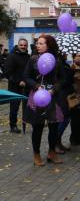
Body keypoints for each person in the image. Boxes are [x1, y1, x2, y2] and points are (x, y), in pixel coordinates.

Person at [23, 34, 64, 166]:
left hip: (52, 97)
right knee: (38, 126)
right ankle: (36, 155)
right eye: (37, 43)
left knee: (54, 126)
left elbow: (62, 79)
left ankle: (52, 153)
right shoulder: (33, 59)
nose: (38, 46)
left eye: (41, 43)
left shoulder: (57, 60)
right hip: (37, 97)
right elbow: (26, 76)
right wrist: (36, 86)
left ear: (49, 45)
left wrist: (54, 90)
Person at [4, 39, 30, 133]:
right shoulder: (12, 56)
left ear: (27, 46)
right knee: (14, 107)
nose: (23, 46)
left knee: (28, 106)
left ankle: (28, 121)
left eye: (25, 45)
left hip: (26, 86)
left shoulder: (28, 57)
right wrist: (18, 81)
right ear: (18, 45)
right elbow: (7, 73)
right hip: (14, 87)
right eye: (21, 45)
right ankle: (13, 125)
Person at [56, 54, 75, 154]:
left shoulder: (65, 65)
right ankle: (55, 143)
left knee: (66, 118)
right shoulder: (59, 65)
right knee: (64, 118)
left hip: (66, 95)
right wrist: (71, 72)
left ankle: (58, 142)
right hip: (61, 95)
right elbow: (64, 81)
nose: (66, 55)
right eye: (64, 53)